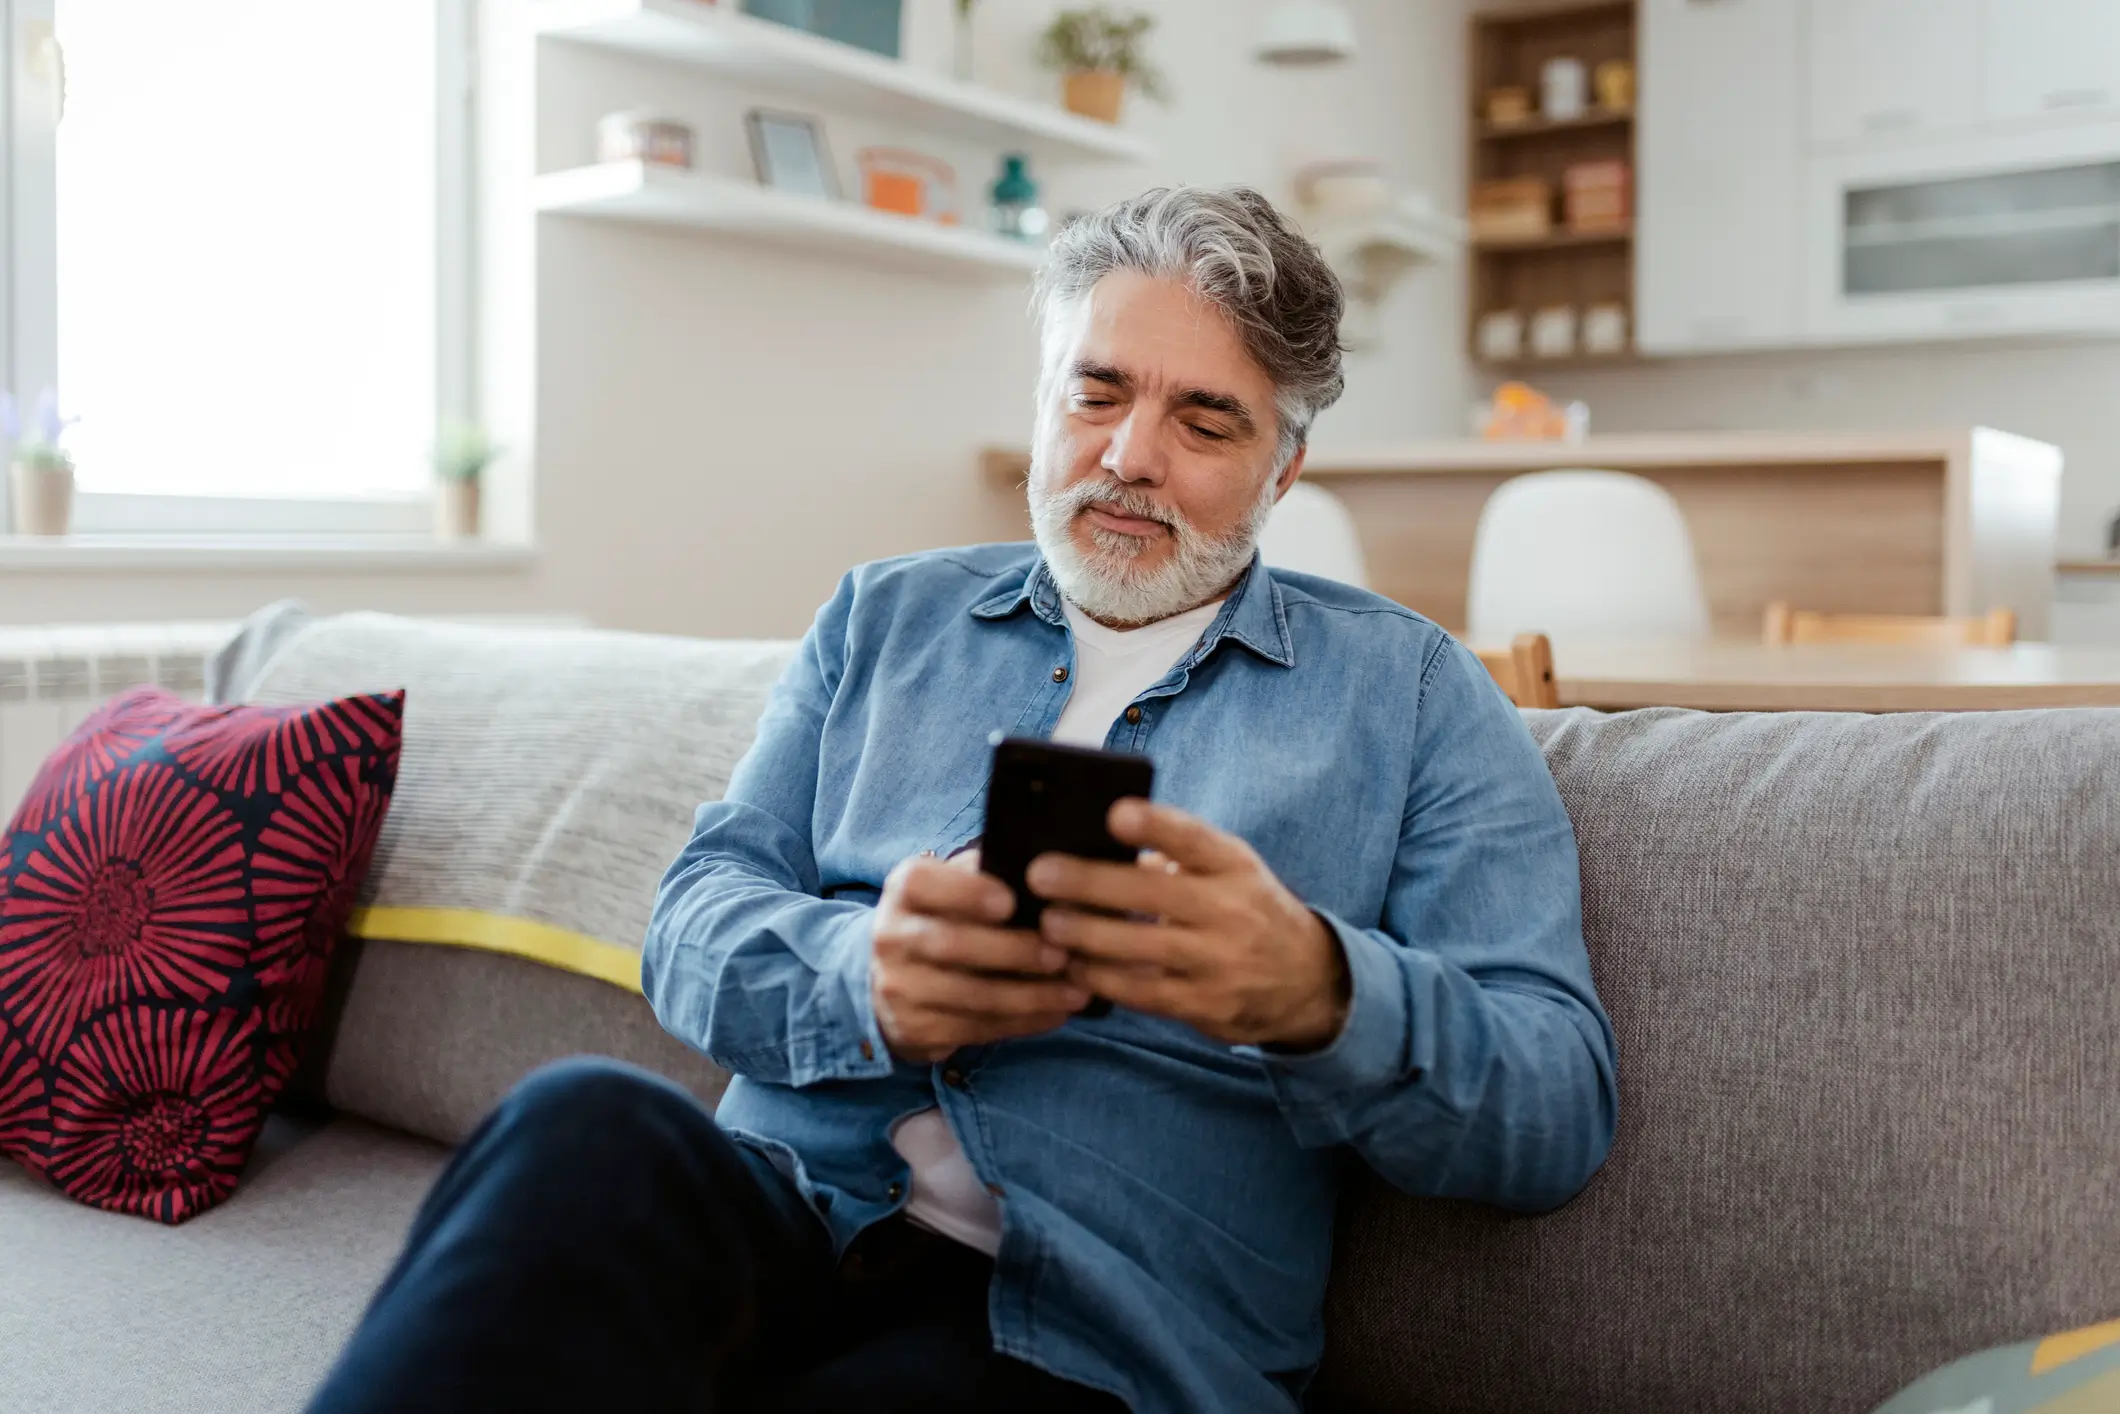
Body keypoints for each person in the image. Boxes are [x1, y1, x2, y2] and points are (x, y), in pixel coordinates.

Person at [305, 186, 1618, 1414]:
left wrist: (1319, 992)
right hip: (784, 1217)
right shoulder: (883, 618)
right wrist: (861, 974)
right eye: (1095, 392)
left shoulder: (1418, 697)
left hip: (1091, 1330)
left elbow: (1555, 1103)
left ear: (1283, 468)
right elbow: (691, 926)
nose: (1129, 456)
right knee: (577, 1123)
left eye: (1205, 420)